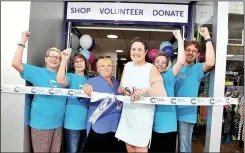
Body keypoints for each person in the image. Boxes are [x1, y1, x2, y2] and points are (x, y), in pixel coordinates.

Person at [12, 32, 67, 152]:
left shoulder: (64, 77)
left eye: (57, 57)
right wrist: (22, 42)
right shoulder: (37, 72)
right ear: (46, 58)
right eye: (51, 56)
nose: (54, 59)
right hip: (41, 124)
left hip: (58, 124)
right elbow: (16, 64)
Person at [115, 37, 168, 152]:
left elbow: (162, 95)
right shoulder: (127, 66)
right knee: (129, 148)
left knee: (140, 148)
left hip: (142, 119)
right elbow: (120, 89)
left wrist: (145, 90)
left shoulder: (151, 68)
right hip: (127, 116)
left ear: (145, 52)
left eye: (140, 49)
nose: (136, 52)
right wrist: (127, 90)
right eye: (133, 49)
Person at [175, 27, 215, 152]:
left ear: (198, 55)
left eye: (194, 51)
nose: (190, 52)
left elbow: (210, 63)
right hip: (169, 113)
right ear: (183, 51)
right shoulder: (176, 67)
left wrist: (207, 38)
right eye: (188, 50)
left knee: (184, 148)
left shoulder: (197, 68)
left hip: (187, 115)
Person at [149, 30, 185, 153]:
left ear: (166, 65)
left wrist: (179, 38)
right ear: (153, 63)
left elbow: (180, 61)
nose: (160, 64)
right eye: (157, 62)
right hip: (151, 125)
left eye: (163, 62)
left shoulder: (169, 76)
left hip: (169, 125)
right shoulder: (148, 78)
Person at [81, 56, 126, 152]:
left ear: (112, 67)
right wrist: (85, 87)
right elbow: (83, 98)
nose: (106, 68)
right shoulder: (92, 81)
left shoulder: (116, 83)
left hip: (115, 126)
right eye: (102, 66)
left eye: (109, 65)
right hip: (99, 125)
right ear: (98, 68)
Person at [56, 50, 89, 153]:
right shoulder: (70, 77)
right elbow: (60, 80)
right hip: (72, 123)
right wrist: (64, 60)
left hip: (86, 123)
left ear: (85, 63)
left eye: (81, 61)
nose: (79, 63)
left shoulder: (89, 80)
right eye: (76, 62)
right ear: (73, 65)